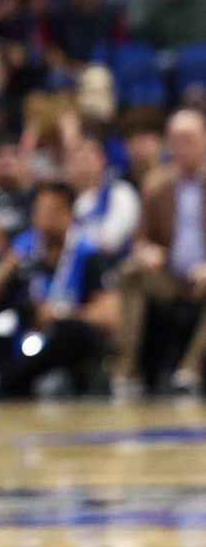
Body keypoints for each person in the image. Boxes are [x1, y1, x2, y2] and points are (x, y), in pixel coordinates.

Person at [0, 182, 115, 396]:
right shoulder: (25, 249)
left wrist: (59, 313)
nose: (44, 218)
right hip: (27, 336)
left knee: (75, 333)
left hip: (64, 336)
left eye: (53, 211)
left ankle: (4, 380)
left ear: (70, 214)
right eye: (40, 210)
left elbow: (109, 316)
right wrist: (10, 263)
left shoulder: (88, 252)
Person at [111, 108, 206, 394]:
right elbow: (140, 239)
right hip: (172, 277)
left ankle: (191, 369)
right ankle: (127, 369)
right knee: (130, 271)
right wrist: (146, 251)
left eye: (189, 138)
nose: (182, 146)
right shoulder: (158, 185)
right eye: (175, 139)